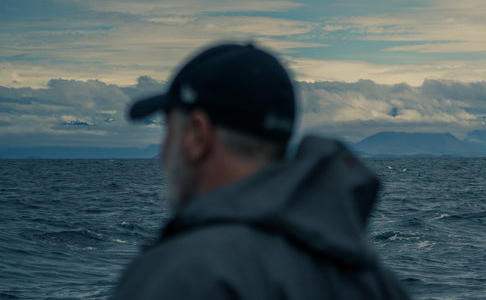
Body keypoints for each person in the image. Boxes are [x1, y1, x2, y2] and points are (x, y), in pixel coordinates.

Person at [114, 42, 409, 299]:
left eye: (169, 127)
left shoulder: (180, 274)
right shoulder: (375, 279)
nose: (163, 151)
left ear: (196, 135)